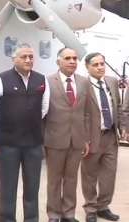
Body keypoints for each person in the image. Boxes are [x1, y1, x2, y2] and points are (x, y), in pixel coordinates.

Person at [0, 43, 50, 222]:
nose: (28, 60)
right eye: (23, 57)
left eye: (31, 57)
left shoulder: (42, 80)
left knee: (32, 188)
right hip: (8, 144)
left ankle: (31, 219)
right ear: (13, 59)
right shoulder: (0, 79)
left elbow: (44, 108)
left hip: (33, 144)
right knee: (7, 188)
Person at [44, 47, 90, 222]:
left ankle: (68, 213)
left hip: (77, 140)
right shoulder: (48, 81)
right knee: (54, 180)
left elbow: (86, 112)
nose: (72, 61)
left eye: (75, 58)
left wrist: (86, 138)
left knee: (71, 179)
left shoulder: (84, 82)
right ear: (58, 61)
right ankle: (54, 214)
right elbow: (42, 113)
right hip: (55, 140)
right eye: (68, 58)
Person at [81, 52, 121, 222]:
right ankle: (90, 208)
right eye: (95, 64)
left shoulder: (112, 81)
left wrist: (123, 127)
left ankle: (103, 206)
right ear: (87, 67)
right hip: (91, 138)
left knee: (109, 175)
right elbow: (79, 114)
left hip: (111, 136)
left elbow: (117, 106)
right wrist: (83, 138)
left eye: (102, 63)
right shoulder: (82, 84)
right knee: (89, 175)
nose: (99, 67)